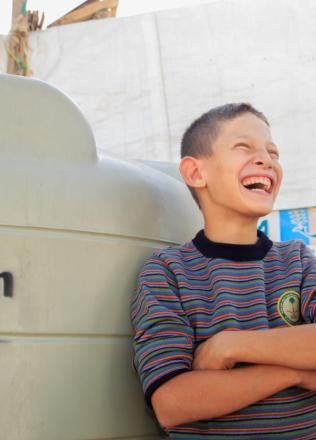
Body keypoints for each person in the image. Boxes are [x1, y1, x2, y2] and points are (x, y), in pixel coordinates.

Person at [131, 103, 316, 439]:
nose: (267, 160)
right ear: (195, 173)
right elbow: (172, 403)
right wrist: (293, 374)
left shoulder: (299, 261)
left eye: (273, 152)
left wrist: (231, 345)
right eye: (244, 147)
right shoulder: (167, 273)